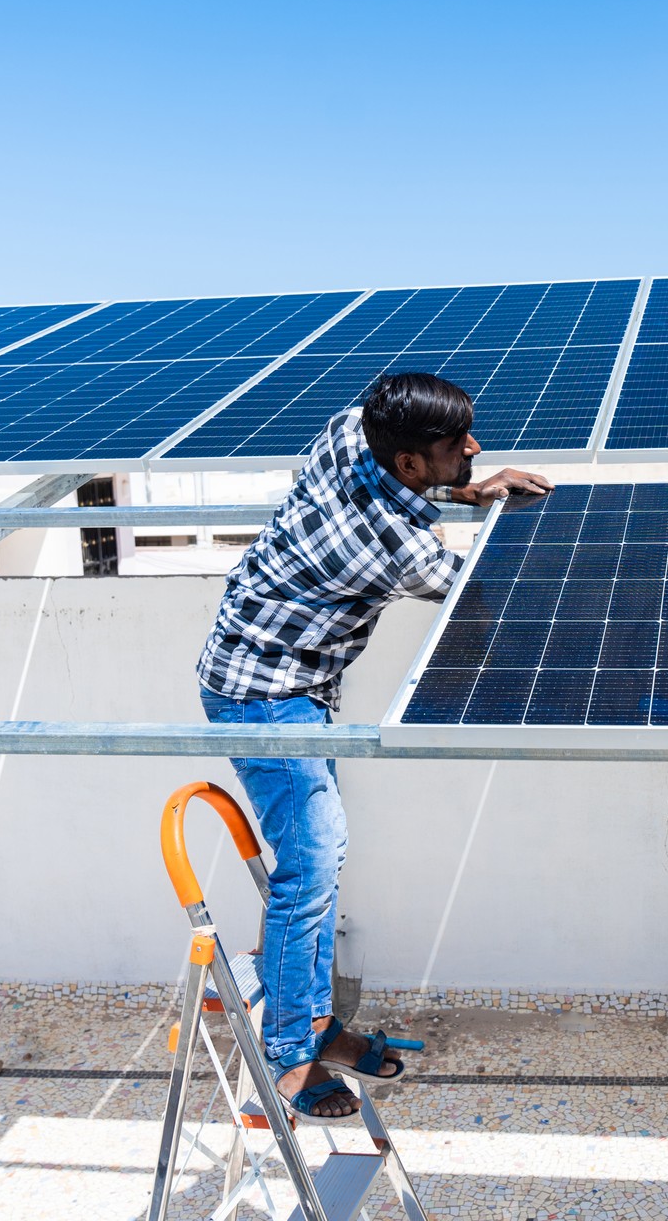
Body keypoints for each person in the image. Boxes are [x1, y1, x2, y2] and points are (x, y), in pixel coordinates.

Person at [197, 372, 551, 1122]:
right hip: (264, 699)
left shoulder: (348, 430)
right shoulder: (396, 552)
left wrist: (471, 489)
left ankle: (318, 1024)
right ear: (410, 464)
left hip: (268, 672)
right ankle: (289, 1057)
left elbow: (401, 484)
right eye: (458, 447)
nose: (476, 449)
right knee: (312, 865)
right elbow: (483, 594)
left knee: (316, 861)